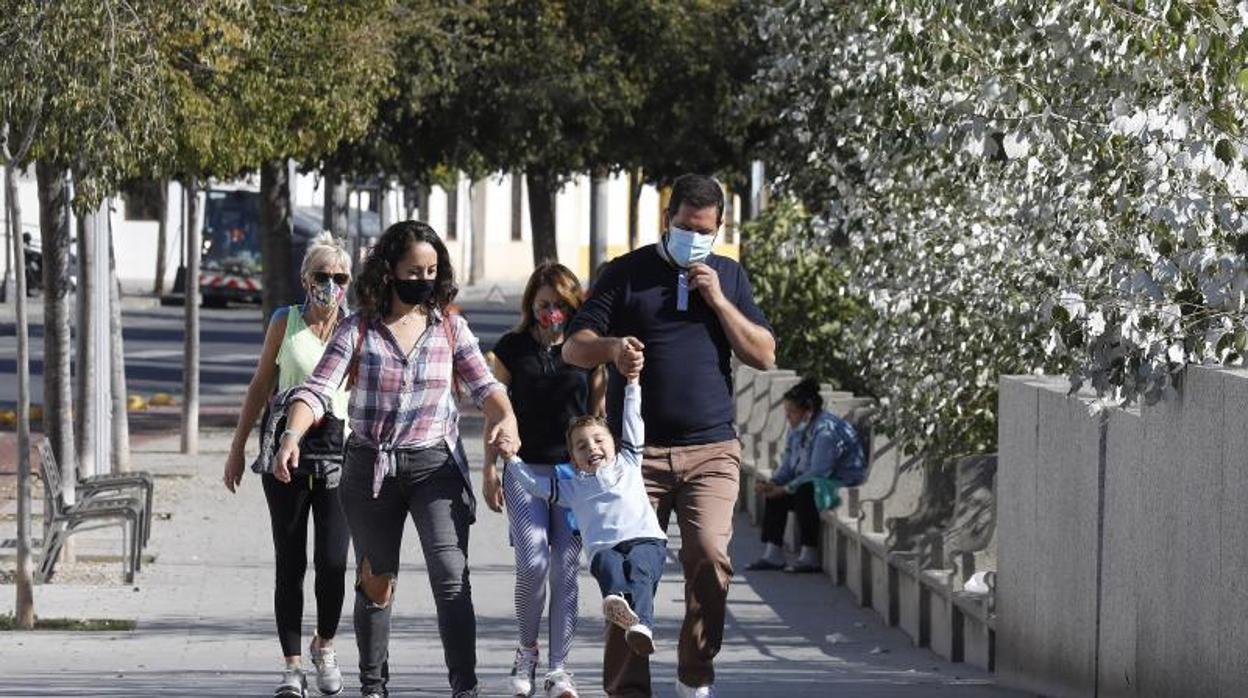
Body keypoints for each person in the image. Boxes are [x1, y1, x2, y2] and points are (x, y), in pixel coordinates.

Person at [276, 221, 520, 698]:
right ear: (389, 271)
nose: (423, 280)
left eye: (431, 271)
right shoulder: (359, 328)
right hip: (371, 467)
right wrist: (291, 435)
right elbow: (318, 389)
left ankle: (464, 688)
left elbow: (484, 386)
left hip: (435, 464)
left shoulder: (450, 326)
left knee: (451, 578)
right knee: (377, 580)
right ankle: (374, 687)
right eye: (414, 270)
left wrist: (506, 417)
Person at [563, 174, 776, 698]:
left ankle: (694, 674)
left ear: (719, 228)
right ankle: (627, 688)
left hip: (712, 448)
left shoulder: (729, 274)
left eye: (704, 230)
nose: (693, 238)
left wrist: (720, 301)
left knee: (709, 557)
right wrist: (613, 349)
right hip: (637, 456)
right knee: (630, 573)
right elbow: (574, 346)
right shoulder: (626, 273)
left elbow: (765, 353)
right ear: (668, 220)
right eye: (684, 227)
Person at [223, 232, 353, 698]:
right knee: (291, 562)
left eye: (340, 277)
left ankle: (326, 645)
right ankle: (292, 667)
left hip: (341, 456)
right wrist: (237, 448)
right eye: (323, 276)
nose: (331, 285)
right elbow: (260, 386)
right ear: (305, 279)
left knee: (334, 562)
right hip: (286, 456)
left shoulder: (355, 329)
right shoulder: (286, 321)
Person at [484, 263, 606, 698]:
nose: (551, 312)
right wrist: (490, 468)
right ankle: (526, 650)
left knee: (565, 569)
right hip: (523, 468)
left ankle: (559, 669)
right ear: (530, 306)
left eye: (559, 305)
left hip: (574, 476)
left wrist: (603, 473)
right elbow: (495, 411)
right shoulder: (512, 348)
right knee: (533, 563)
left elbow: (598, 415)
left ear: (573, 306)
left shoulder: (585, 350)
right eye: (543, 305)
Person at [502, 364, 668, 669]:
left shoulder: (629, 462)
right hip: (605, 548)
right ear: (573, 459)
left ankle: (641, 625)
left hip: (646, 540)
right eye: (581, 446)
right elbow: (535, 486)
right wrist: (511, 459)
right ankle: (619, 603)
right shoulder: (571, 488)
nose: (592, 448)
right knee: (607, 566)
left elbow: (633, 419)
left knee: (641, 574)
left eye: (598, 440)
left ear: (614, 444)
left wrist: (633, 383)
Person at [745, 378, 867, 573]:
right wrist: (774, 482)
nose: (788, 418)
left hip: (838, 486)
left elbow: (818, 472)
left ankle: (809, 555)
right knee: (777, 496)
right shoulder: (797, 430)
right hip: (813, 482)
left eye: (791, 413)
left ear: (807, 412)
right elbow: (788, 465)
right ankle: (773, 554)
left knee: (804, 490)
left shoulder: (826, 431)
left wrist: (785, 489)